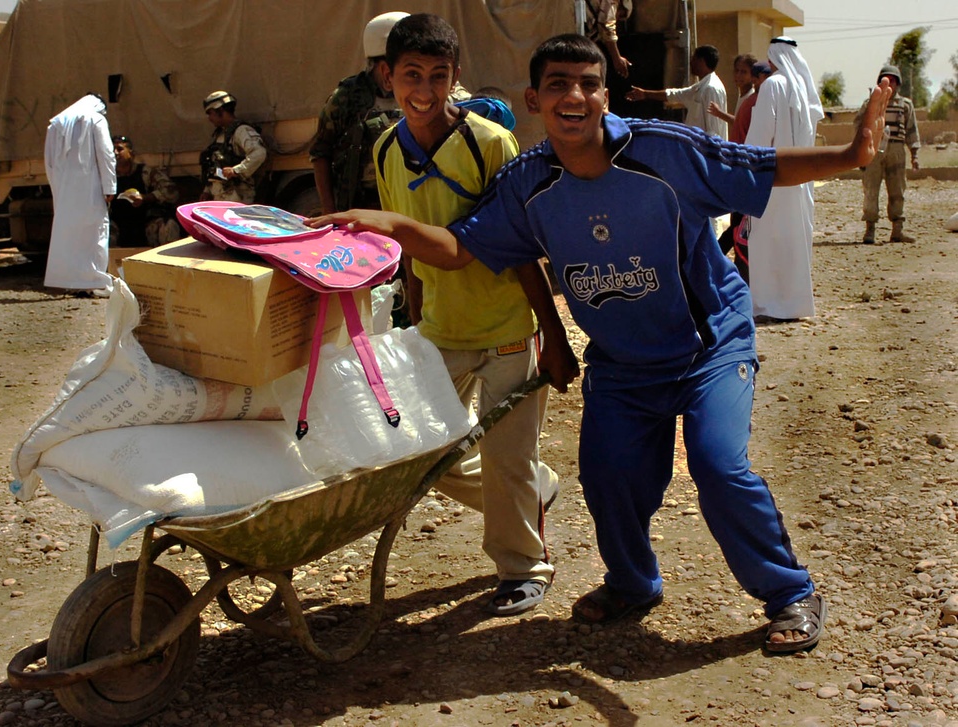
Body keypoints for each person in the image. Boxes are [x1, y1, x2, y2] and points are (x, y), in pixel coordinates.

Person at [309, 33, 892, 653]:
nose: (574, 95)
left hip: (708, 347)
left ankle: (790, 593)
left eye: (588, 83)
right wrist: (385, 225)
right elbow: (460, 251)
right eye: (558, 84)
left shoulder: (665, 153)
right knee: (606, 473)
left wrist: (853, 152)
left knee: (719, 465)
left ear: (605, 96)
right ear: (534, 99)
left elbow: (766, 168)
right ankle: (633, 583)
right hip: (622, 362)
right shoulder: (527, 184)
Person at [373, 13, 561, 616]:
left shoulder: (489, 142)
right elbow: (407, 250)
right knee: (422, 454)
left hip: (508, 327)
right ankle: (533, 488)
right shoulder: (385, 150)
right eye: (410, 76)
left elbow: (523, 242)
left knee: (509, 457)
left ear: (456, 77)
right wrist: (414, 322)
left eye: (437, 75)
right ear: (387, 77)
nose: (424, 91)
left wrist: (551, 334)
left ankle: (523, 567)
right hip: (439, 331)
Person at [744, 37, 824, 322]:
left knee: (767, 238)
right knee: (794, 238)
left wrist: (746, 166)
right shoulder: (804, 87)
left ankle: (768, 305)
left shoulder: (773, 85)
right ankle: (794, 303)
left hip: (773, 175)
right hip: (802, 176)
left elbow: (760, 135)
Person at [309, 11, 410, 215]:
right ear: (383, 67)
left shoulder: (419, 94)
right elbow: (320, 154)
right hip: (361, 209)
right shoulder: (346, 98)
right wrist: (330, 212)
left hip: (407, 207)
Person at [43, 93, 116, 298]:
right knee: (96, 234)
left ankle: (73, 282)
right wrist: (109, 187)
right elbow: (106, 154)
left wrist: (56, 188)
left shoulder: (56, 125)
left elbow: (48, 162)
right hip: (90, 188)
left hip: (65, 191)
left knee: (69, 237)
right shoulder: (96, 119)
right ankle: (96, 282)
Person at [716, 60, 772, 281]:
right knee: (742, 228)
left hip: (741, 170)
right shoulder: (757, 104)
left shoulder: (750, 102)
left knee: (739, 226)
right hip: (748, 172)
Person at [856, 64, 920, 244]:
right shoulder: (871, 103)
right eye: (885, 80)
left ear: (898, 84)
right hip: (874, 150)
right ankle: (870, 230)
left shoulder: (905, 105)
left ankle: (897, 230)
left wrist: (915, 154)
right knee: (871, 189)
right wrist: (859, 151)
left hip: (897, 150)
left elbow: (911, 130)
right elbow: (860, 127)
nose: (889, 84)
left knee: (897, 189)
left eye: (892, 80)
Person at [627, 45, 728, 139]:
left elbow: (714, 132)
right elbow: (675, 94)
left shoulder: (711, 88)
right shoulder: (699, 87)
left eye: (693, 59)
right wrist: (645, 94)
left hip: (706, 154)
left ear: (701, 61)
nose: (691, 62)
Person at [109, 135, 182, 247]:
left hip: (145, 222)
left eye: (120, 149)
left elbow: (171, 191)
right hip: (117, 224)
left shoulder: (145, 172)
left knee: (168, 225)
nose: (115, 153)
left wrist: (146, 198)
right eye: (111, 150)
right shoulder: (106, 176)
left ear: (131, 153)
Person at [199, 90, 267, 203]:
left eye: (210, 113)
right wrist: (207, 190)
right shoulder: (220, 134)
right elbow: (216, 166)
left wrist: (236, 170)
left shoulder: (241, 131)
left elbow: (259, 153)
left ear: (220, 110)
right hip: (221, 197)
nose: (209, 118)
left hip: (238, 197)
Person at [707, 54, 757, 142]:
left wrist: (719, 113)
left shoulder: (751, 98)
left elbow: (741, 123)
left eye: (743, 72)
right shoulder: (742, 94)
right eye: (736, 71)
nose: (738, 75)